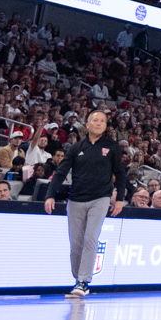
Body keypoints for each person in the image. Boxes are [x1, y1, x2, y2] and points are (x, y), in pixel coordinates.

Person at [42, 109, 128, 299]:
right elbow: (61, 171)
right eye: (95, 120)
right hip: (76, 198)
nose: (98, 123)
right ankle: (77, 279)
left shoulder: (112, 147)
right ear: (87, 125)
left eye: (102, 121)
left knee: (91, 238)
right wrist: (50, 195)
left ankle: (83, 281)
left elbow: (120, 174)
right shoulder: (76, 147)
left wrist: (119, 199)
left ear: (105, 126)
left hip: (101, 197)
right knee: (76, 243)